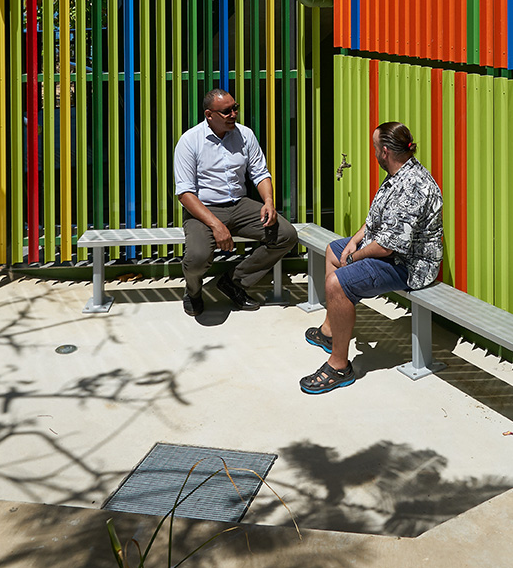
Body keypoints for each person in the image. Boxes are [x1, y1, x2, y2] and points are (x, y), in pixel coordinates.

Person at [300, 120, 444, 393]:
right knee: (334, 250)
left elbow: (388, 246)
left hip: (409, 265)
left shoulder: (412, 186)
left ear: (385, 151)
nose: (374, 153)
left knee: (337, 283)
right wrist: (354, 242)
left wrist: (353, 259)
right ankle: (331, 331)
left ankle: (340, 366)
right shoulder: (398, 174)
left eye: (375, 147)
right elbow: (376, 222)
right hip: (389, 252)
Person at [173, 87, 296, 316]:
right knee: (198, 258)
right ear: (209, 115)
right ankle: (193, 291)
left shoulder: (245, 134)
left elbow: (260, 173)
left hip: (239, 205)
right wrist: (216, 225)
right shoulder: (190, 141)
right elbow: (185, 193)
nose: (233, 114)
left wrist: (268, 202)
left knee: (286, 235)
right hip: (204, 209)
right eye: (226, 111)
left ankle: (233, 282)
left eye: (235, 108)